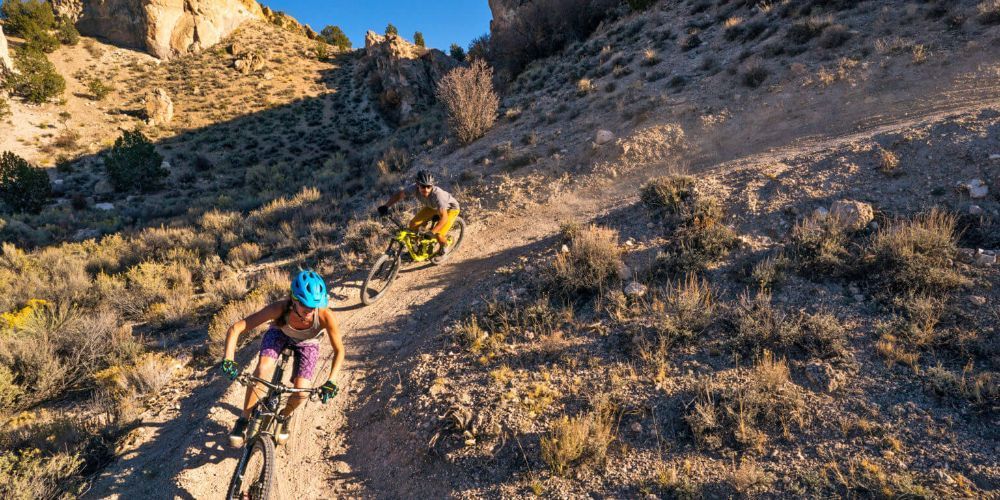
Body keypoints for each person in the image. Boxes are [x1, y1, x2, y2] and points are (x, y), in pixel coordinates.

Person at [220, 270, 344, 447]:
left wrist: (332, 381)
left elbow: (339, 350)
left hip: (308, 343)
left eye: (314, 306)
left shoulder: (324, 315)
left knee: (301, 393)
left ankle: (284, 417)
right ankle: (243, 420)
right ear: (293, 299)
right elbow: (236, 328)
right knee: (262, 370)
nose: (310, 310)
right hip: (280, 333)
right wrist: (228, 358)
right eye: (305, 305)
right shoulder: (279, 308)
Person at [377, 170, 461, 264]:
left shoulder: (438, 195)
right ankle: (415, 250)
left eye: (429, 186)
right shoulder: (413, 188)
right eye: (423, 186)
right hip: (432, 207)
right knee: (413, 224)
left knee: (438, 234)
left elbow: (444, 217)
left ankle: (444, 248)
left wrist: (432, 232)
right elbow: (400, 195)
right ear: (417, 184)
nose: (426, 189)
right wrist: (386, 206)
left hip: (450, 209)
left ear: (432, 186)